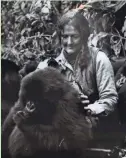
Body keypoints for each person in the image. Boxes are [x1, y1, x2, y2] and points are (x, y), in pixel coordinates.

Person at [37, 9, 118, 117]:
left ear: (83, 37)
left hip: (94, 123)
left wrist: (89, 109)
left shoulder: (99, 59)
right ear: (60, 37)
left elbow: (110, 98)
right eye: (65, 36)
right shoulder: (48, 65)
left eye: (74, 36)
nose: (69, 42)